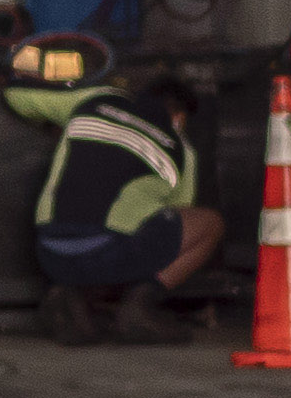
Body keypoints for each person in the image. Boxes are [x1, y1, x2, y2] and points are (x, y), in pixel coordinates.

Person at [12, 53, 225, 344]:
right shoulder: (181, 148)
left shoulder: (94, 100)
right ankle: (141, 306)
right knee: (207, 225)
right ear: (179, 117)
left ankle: (72, 298)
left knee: (109, 229)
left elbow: (17, 96)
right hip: (109, 257)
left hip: (50, 254)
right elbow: (177, 215)